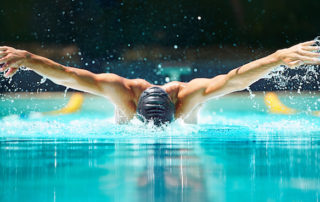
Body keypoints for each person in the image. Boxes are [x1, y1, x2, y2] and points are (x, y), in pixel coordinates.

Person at [0, 41, 320, 125]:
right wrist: (27, 57)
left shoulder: (188, 96)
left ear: (175, 109)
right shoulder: (121, 90)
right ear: (134, 107)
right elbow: (69, 74)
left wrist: (277, 58)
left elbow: (233, 79)